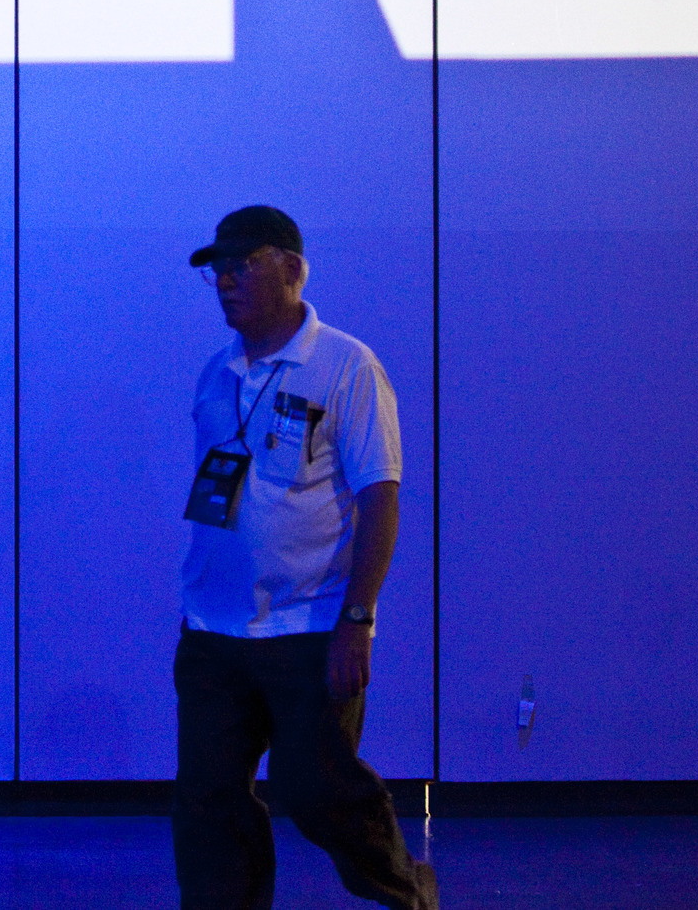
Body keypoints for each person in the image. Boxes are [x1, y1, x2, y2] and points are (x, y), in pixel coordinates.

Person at [174, 206, 438, 910]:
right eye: (217, 269)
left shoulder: (346, 365)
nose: (226, 279)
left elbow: (381, 497)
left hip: (311, 625)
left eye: (243, 263)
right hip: (213, 629)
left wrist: (359, 617)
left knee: (315, 789)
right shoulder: (216, 372)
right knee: (207, 803)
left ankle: (406, 888)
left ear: (293, 268)